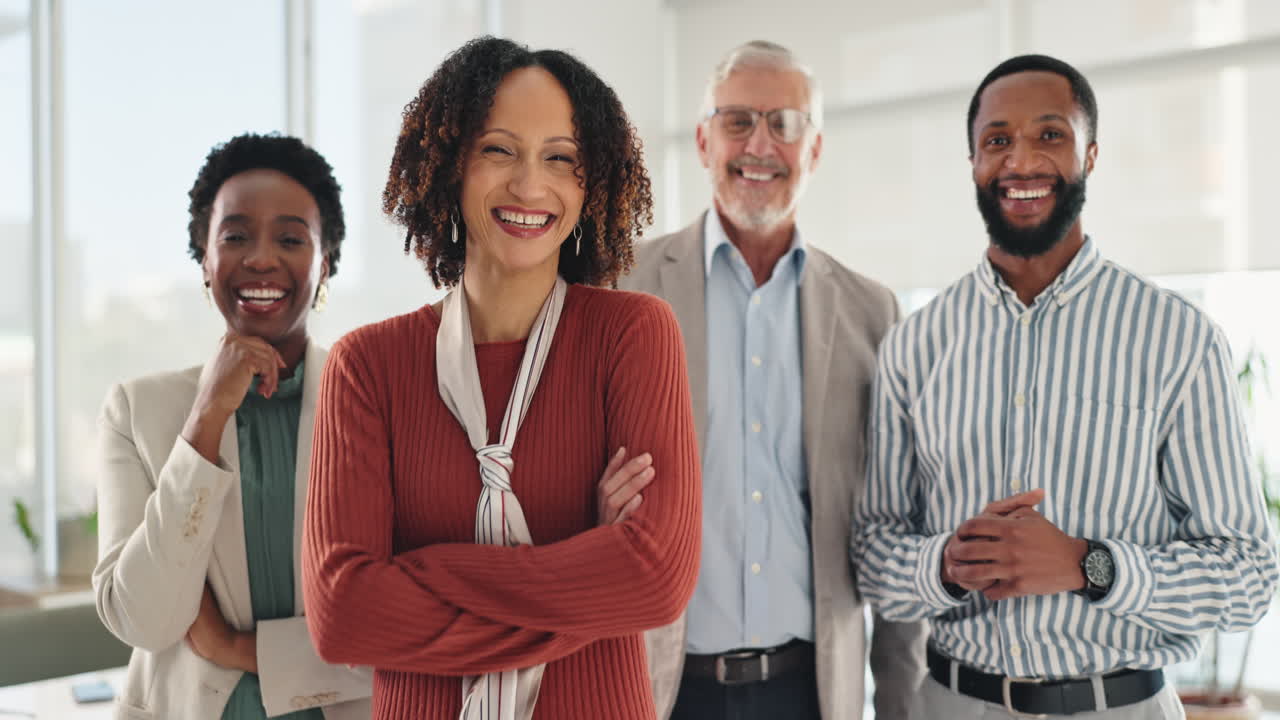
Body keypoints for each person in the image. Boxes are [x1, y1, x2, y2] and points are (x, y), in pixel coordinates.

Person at [853, 54, 1280, 720]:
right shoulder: (916, 344)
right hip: (952, 704)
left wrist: (1090, 565)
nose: (1022, 160)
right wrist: (945, 564)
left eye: (1050, 135)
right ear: (973, 161)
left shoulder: (1179, 339)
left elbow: (1248, 575)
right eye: (998, 140)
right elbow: (874, 553)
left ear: (1091, 153)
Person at [301, 36, 701, 720]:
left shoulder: (634, 334)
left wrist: (418, 572)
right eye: (498, 149)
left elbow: (658, 580)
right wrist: (589, 564)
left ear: (591, 182)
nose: (528, 185)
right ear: (448, 164)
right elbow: (343, 618)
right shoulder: (366, 366)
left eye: (560, 158)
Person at [619, 40, 925, 720]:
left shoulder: (873, 314)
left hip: (811, 692)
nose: (760, 144)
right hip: (658, 688)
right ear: (702, 140)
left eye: (784, 123)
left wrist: (902, 706)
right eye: (737, 121)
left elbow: (899, 522)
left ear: (813, 150)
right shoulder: (622, 287)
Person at [93, 133, 372, 719]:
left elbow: (395, 630)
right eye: (236, 235)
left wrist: (234, 648)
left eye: (291, 238)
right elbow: (144, 619)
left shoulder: (378, 406)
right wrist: (205, 418)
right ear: (204, 256)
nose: (261, 258)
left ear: (328, 261)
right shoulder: (136, 412)